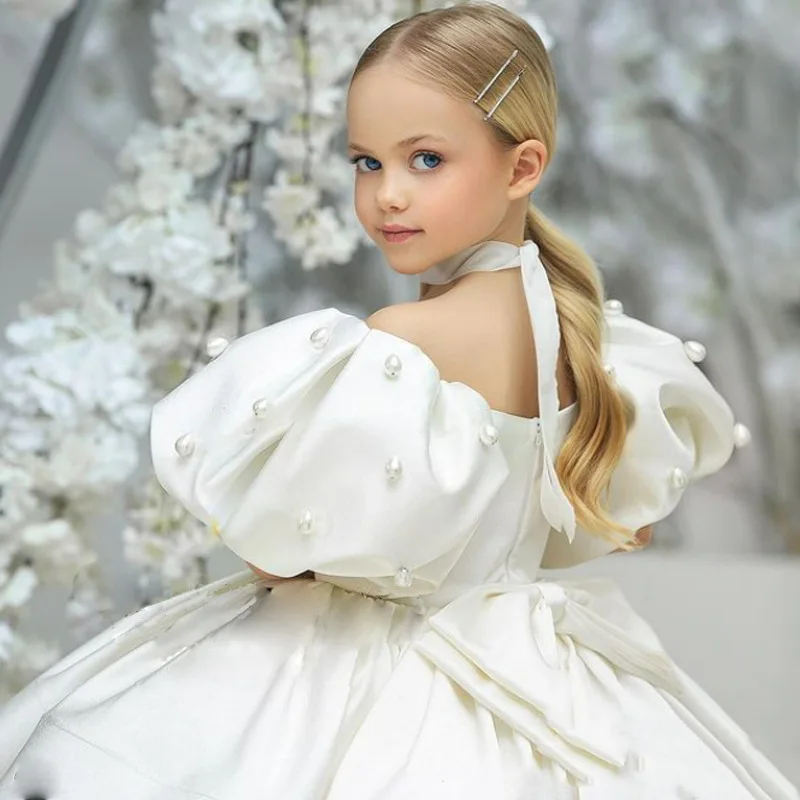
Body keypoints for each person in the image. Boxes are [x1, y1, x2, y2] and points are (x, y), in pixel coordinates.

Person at [0, 3, 796, 798]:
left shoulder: (404, 339)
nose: (387, 195)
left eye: (425, 160)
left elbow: (279, 555)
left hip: (366, 671)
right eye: (366, 162)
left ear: (522, 167)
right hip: (533, 667)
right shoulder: (585, 343)